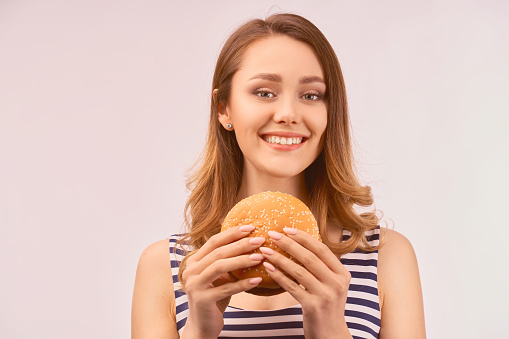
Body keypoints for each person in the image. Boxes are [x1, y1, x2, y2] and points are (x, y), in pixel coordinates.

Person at [131, 13, 426, 339]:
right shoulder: (165, 266)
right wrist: (200, 330)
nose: (288, 114)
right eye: (264, 92)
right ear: (223, 109)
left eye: (311, 95)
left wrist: (330, 331)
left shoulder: (385, 257)